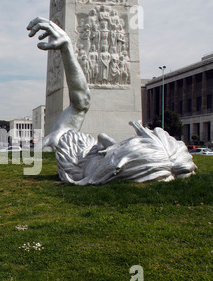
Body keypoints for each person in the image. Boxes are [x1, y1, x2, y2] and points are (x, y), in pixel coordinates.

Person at [27, 17, 197, 185]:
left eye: (110, 153)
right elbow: (81, 104)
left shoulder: (66, 149)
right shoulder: (74, 147)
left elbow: (80, 104)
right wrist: (67, 49)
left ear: (109, 171)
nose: (103, 138)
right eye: (119, 143)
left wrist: (67, 49)